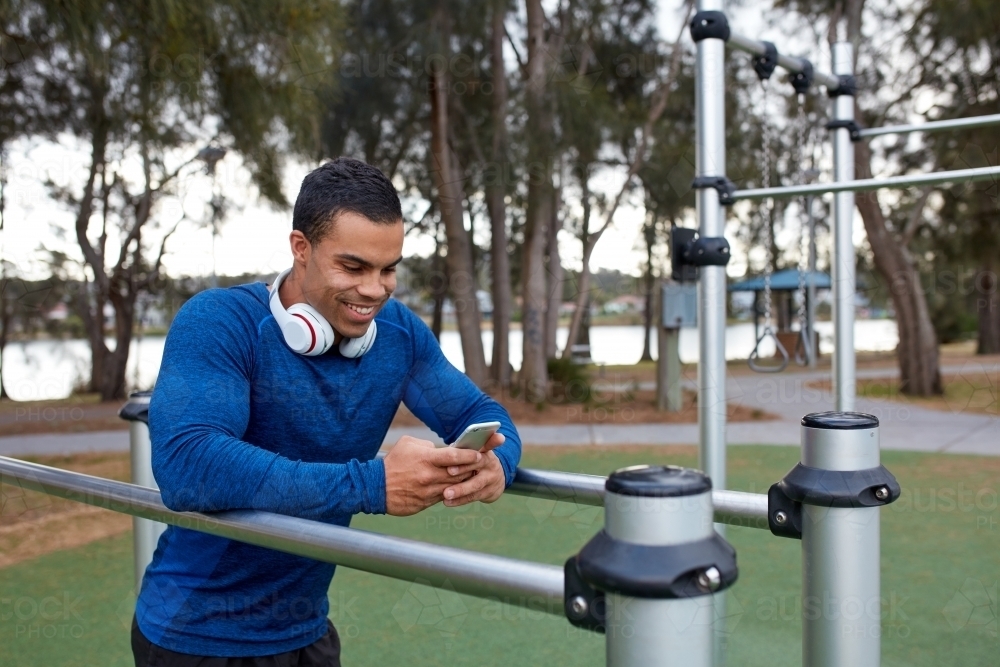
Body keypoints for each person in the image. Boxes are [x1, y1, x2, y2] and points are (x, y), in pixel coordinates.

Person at [133, 157, 521, 667]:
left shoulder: (398, 334)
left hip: (306, 630)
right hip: (194, 634)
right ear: (301, 248)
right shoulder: (219, 321)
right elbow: (189, 464)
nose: (374, 290)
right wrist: (371, 485)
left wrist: (498, 463)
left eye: (388, 270)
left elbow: (481, 410)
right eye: (353, 267)